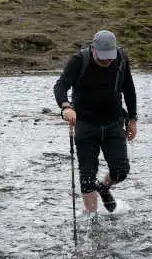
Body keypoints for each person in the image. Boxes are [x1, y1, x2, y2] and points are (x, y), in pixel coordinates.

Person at [54, 30, 137, 214]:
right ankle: (92, 218)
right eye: (103, 57)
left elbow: (129, 89)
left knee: (121, 171)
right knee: (87, 177)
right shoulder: (79, 61)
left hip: (114, 122)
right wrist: (66, 107)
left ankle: (104, 187)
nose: (107, 61)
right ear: (93, 49)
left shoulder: (121, 59)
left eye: (110, 57)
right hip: (85, 125)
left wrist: (132, 119)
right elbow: (60, 85)